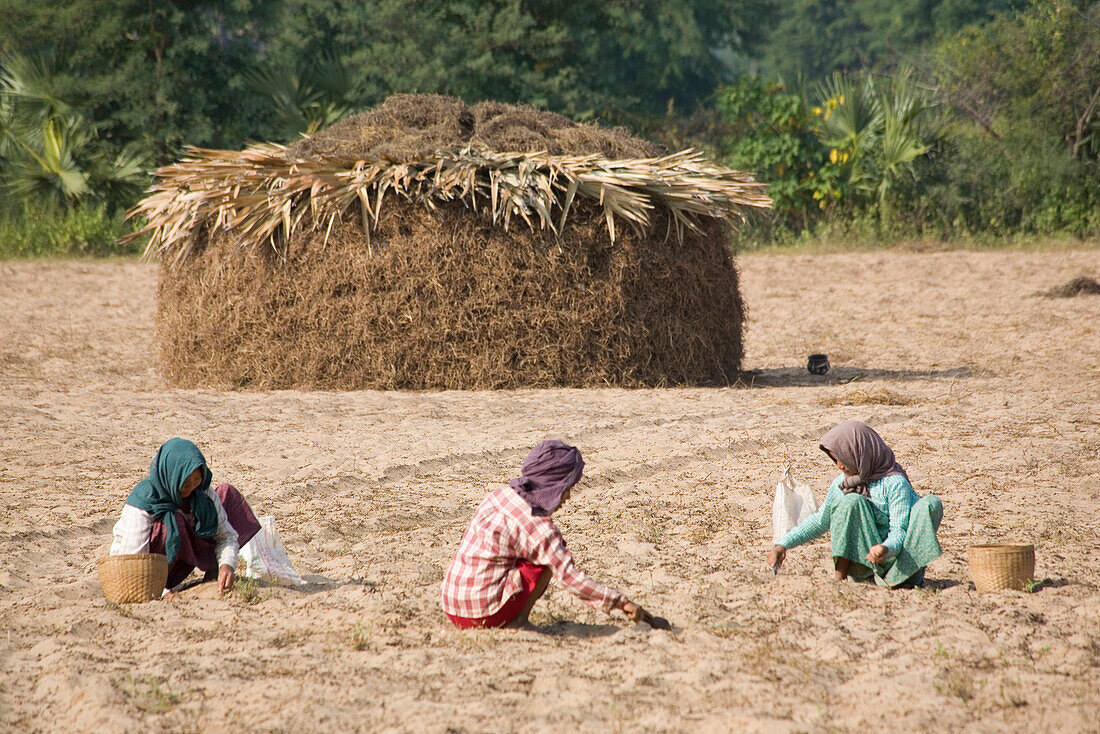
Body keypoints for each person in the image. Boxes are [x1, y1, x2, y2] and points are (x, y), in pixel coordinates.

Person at [441, 440, 653, 629]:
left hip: (452, 605)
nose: (568, 496)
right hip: (484, 614)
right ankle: (519, 621)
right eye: (567, 488)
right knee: (544, 561)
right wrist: (621, 602)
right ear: (554, 487)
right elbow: (570, 577)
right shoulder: (540, 528)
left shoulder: (499, 495)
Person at [767, 421, 943, 588]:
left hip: (901, 565)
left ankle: (900, 578)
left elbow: (900, 530)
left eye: (843, 458)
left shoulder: (894, 483)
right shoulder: (842, 484)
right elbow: (820, 521)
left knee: (930, 504)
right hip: (865, 565)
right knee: (851, 500)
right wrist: (782, 545)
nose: (839, 465)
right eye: (834, 459)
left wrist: (884, 549)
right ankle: (840, 578)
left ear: (860, 453)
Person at [110, 438, 261, 594]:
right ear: (172, 475)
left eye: (197, 479)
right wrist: (162, 592)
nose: (191, 487)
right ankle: (161, 586)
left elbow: (226, 535)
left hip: (182, 561)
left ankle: (214, 574)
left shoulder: (201, 492)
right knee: (173, 522)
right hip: (143, 573)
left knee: (227, 494)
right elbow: (134, 560)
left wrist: (226, 565)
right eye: (185, 482)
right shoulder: (143, 502)